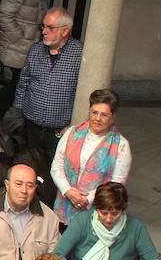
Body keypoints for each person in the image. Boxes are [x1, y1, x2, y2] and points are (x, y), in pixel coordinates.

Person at [12, 7, 84, 189]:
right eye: (43, 26)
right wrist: (18, 112)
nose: (44, 31)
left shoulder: (79, 54)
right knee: (28, 169)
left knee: (55, 173)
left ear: (65, 30)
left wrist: (74, 125)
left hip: (59, 131)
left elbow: (83, 93)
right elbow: (24, 81)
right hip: (32, 127)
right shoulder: (36, 51)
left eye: (50, 27)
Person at [55, 182, 160, 260]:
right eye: (103, 213)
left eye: (115, 214)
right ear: (96, 208)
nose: (109, 219)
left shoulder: (135, 227)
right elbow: (57, 255)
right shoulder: (83, 220)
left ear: (123, 209)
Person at [51, 88, 132, 224]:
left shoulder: (121, 145)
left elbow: (116, 184)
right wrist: (68, 191)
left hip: (97, 212)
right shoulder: (71, 133)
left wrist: (86, 199)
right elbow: (57, 166)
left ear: (113, 117)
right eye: (94, 113)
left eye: (104, 115)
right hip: (65, 204)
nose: (98, 119)